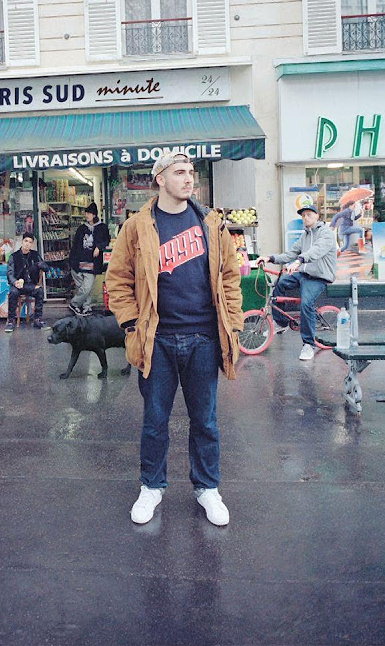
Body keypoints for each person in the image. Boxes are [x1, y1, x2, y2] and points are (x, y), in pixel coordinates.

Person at [105, 148, 244, 527]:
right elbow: (118, 279)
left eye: (191, 172)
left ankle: (207, 488)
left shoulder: (212, 224)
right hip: (157, 341)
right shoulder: (137, 226)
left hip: (203, 338)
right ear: (160, 179)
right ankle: (152, 486)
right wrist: (131, 325)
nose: (189, 178)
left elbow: (230, 277)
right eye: (180, 172)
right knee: (154, 421)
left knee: (206, 421)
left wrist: (232, 323)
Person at [254, 203, 337, 361]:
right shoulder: (305, 235)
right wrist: (270, 258)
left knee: (306, 303)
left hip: (319, 276)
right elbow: (291, 253)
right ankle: (281, 323)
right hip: (305, 273)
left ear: (317, 216)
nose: (305, 217)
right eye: (303, 215)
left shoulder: (326, 233)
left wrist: (299, 261)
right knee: (280, 282)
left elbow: (316, 251)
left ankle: (308, 345)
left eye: (309, 214)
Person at [69, 201, 110, 315]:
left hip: (92, 263)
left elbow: (106, 240)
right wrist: (72, 262)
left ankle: (74, 304)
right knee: (83, 288)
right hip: (78, 263)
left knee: (86, 288)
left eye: (89, 213)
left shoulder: (102, 227)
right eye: (86, 213)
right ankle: (86, 307)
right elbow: (75, 245)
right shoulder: (81, 228)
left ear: (94, 215)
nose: (86, 215)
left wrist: (99, 247)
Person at [4, 232, 48, 332]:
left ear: (32, 244)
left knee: (40, 291)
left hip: (31, 285)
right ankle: (11, 321)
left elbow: (46, 268)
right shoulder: (14, 256)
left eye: (30, 242)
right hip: (17, 285)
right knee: (13, 292)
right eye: (26, 241)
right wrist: (15, 282)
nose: (27, 244)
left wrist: (40, 265)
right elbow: (10, 274)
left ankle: (37, 319)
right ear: (22, 242)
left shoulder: (35, 255)